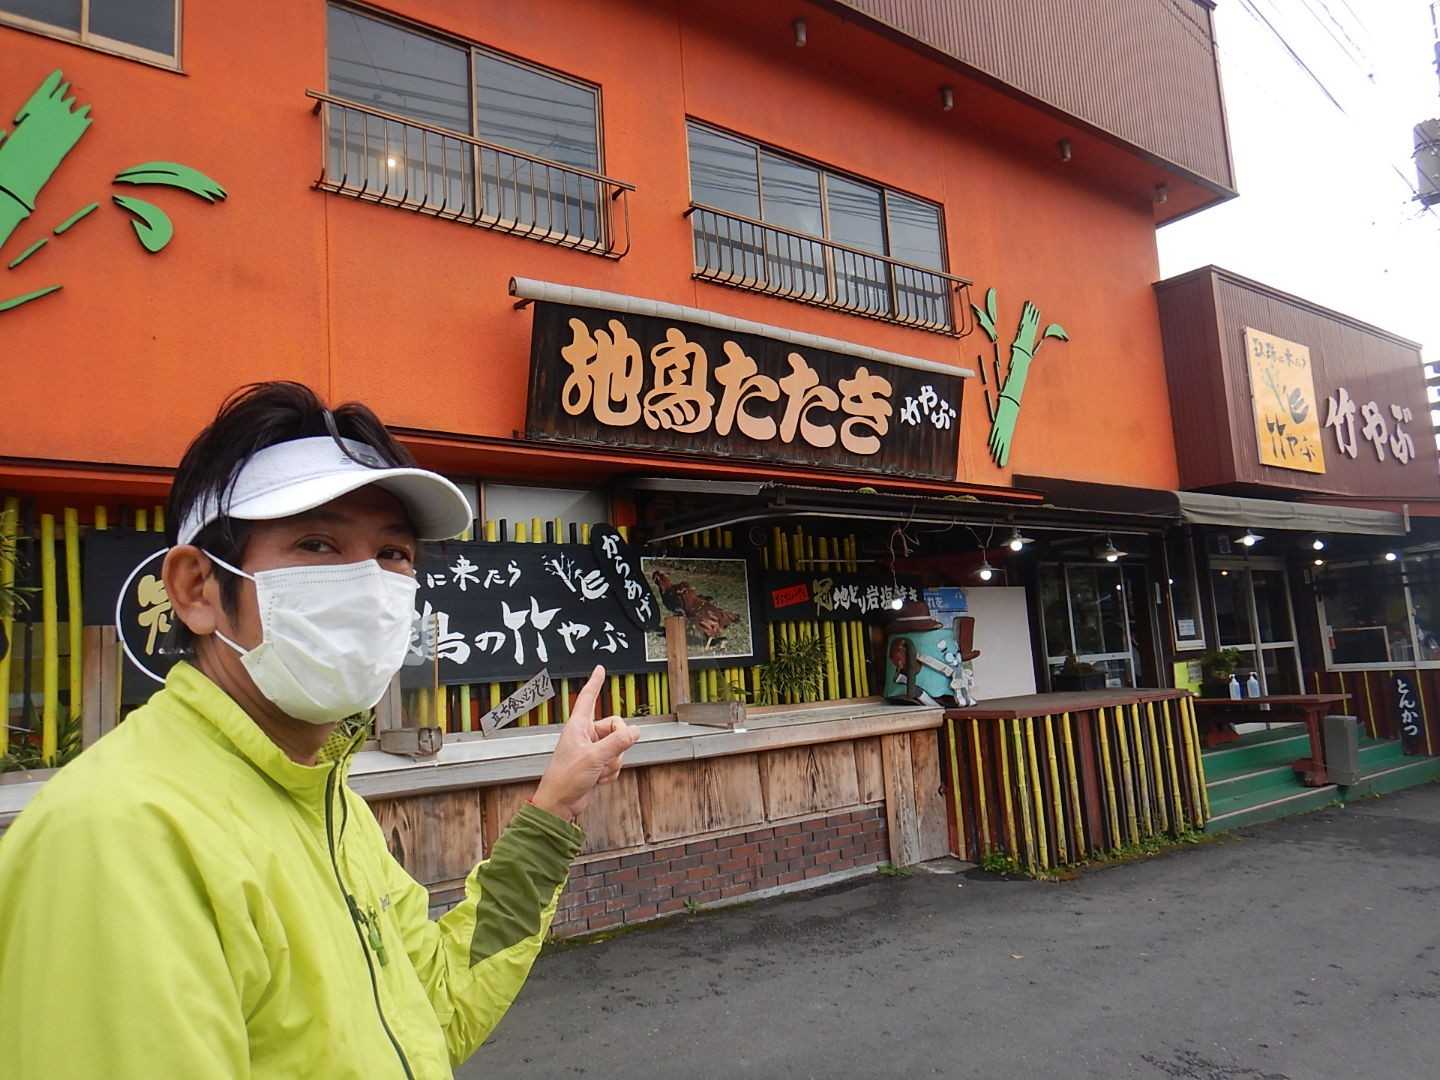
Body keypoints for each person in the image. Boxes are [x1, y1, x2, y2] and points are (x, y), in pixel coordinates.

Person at [0, 382, 640, 1078]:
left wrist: (555, 808)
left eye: (392, 554)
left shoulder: (330, 806)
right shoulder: (120, 839)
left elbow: (433, 1009)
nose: (367, 586)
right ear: (196, 590)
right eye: (316, 543)